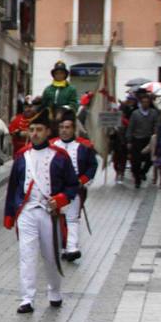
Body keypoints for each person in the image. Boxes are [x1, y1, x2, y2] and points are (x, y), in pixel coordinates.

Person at [3, 109, 77, 313]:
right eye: (32, 130)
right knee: (27, 254)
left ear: (47, 132)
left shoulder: (60, 157)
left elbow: (72, 185)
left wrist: (61, 199)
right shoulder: (21, 156)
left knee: (51, 255)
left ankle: (54, 291)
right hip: (26, 211)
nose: (34, 134)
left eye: (39, 130)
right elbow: (13, 187)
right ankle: (27, 298)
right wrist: (10, 214)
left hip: (49, 213)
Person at [52, 113, 98, 263]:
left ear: (73, 129)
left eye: (67, 127)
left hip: (74, 188)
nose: (64, 130)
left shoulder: (84, 146)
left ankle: (72, 247)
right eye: (61, 127)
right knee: (56, 219)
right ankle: (60, 247)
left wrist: (82, 180)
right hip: (54, 189)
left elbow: (92, 165)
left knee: (72, 219)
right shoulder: (51, 145)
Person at [126, 90, 161, 188]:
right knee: (135, 162)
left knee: (150, 159)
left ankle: (143, 172)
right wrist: (129, 140)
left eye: (147, 102)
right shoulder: (135, 114)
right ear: (140, 103)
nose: (145, 104)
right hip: (137, 139)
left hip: (148, 139)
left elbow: (157, 124)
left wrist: (156, 133)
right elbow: (130, 127)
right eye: (143, 102)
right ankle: (137, 180)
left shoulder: (153, 113)